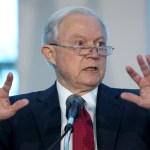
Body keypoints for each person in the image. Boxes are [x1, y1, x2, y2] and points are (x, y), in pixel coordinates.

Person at [0, 6, 150, 150]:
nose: (94, 53)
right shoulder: (15, 113)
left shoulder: (140, 107)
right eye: (79, 44)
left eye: (100, 44)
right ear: (50, 54)